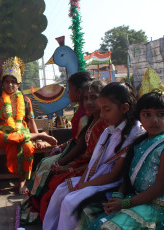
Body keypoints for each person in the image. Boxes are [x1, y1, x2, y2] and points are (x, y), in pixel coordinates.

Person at [42, 82, 144, 230]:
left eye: (107, 110)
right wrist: (82, 182)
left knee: (70, 201)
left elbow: (114, 175)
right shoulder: (109, 130)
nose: (102, 115)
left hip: (112, 183)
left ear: (125, 108)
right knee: (60, 191)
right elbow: (93, 163)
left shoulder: (134, 133)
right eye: (101, 109)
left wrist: (84, 185)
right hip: (96, 176)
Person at [21, 80, 108, 224]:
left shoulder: (104, 125)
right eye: (86, 98)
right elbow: (78, 141)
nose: (88, 102)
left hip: (90, 167)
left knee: (55, 182)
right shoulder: (92, 119)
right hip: (84, 163)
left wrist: (65, 166)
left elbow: (92, 156)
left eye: (94, 97)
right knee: (48, 168)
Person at [86, 91, 164, 229]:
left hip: (155, 206)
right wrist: (118, 196)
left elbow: (158, 188)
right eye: (147, 114)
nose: (154, 120)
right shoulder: (139, 142)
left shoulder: (162, 146)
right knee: (89, 213)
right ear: (139, 116)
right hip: (135, 199)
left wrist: (124, 204)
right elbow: (128, 177)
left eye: (161, 114)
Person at [0, 56, 58, 194]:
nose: (10, 85)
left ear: (18, 84)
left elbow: (31, 121)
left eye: (13, 82)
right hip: (5, 134)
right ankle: (37, 135)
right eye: (7, 82)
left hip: (22, 132)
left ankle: (22, 182)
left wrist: (39, 141)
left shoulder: (26, 100)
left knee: (28, 147)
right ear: (2, 84)